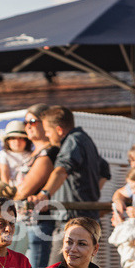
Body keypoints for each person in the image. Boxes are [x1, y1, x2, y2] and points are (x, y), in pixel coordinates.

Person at [30, 106, 111, 258]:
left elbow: (61, 171)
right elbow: (105, 170)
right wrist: (91, 194)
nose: (47, 135)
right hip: (84, 220)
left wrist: (44, 194)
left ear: (59, 130)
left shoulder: (73, 141)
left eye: (48, 131)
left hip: (72, 223)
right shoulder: (85, 140)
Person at [12, 105, 57, 268]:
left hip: (37, 222)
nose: (27, 126)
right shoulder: (33, 153)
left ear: (44, 123)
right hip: (23, 221)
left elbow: (25, 190)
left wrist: (4, 198)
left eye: (32, 121)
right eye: (25, 122)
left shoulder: (49, 152)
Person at [0, 121, 33, 186]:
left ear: (26, 141)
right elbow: (4, 175)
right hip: (12, 189)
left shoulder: (32, 154)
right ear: (7, 141)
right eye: (13, 138)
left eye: (21, 138)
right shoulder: (4, 154)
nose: (17, 141)